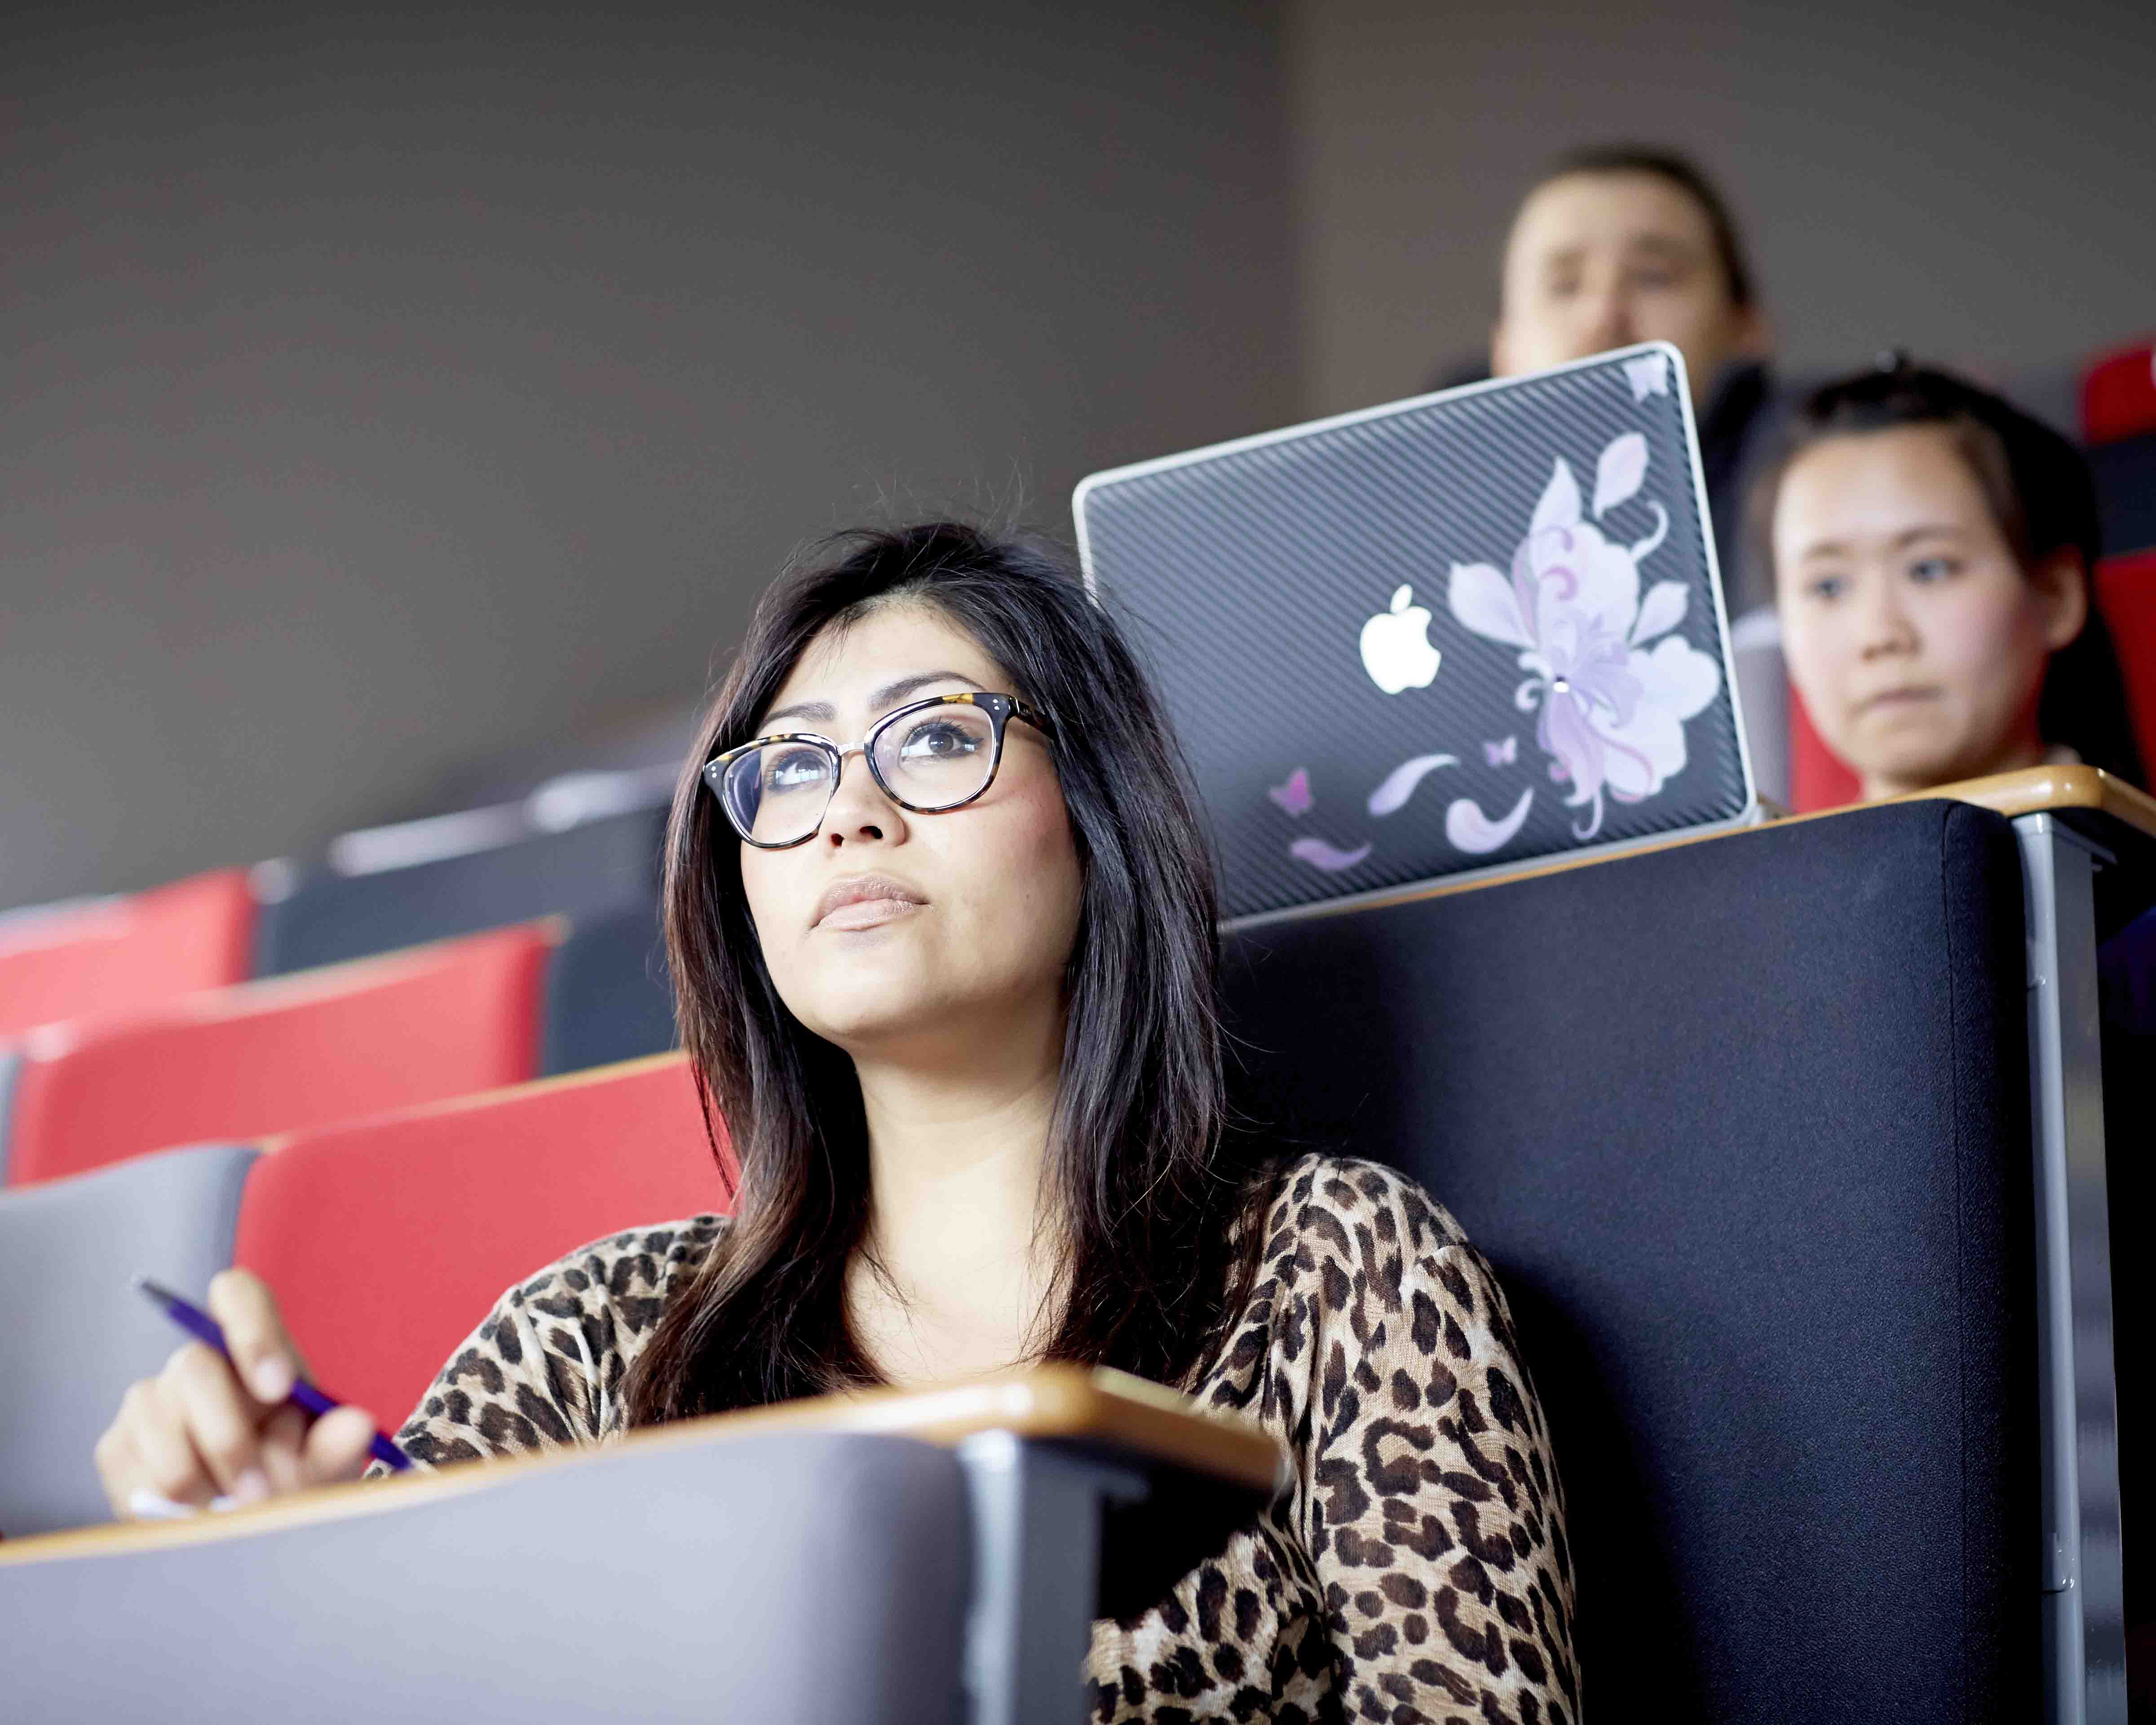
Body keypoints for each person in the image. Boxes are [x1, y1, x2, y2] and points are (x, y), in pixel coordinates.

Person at [93, 524, 1580, 1722]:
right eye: (790, 768)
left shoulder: (1338, 1270)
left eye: (935, 740)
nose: (847, 814)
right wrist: (283, 1566)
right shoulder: (603, 1337)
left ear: (1101, 819)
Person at [1755, 359, 2143, 801]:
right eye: (1828, 587)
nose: (1880, 636)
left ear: (2056, 597)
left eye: (1929, 570)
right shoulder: (1765, 868)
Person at [1478, 143, 1780, 612]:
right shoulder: (1413, 522)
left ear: (1747, 327)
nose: (1604, 315)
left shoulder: (1816, 497)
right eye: (1564, 284)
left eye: (1653, 277)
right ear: (1503, 346)